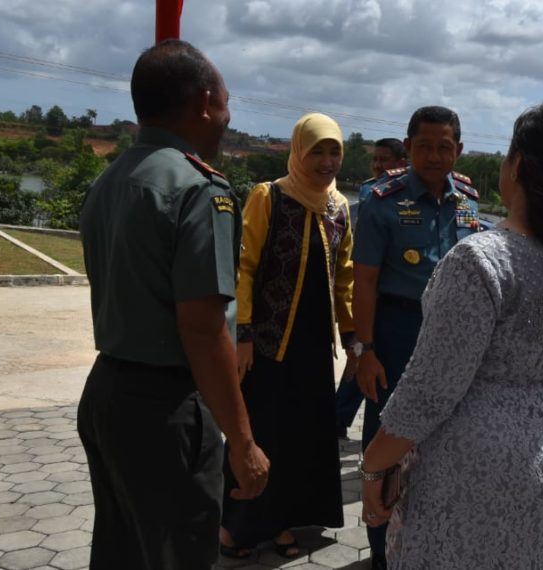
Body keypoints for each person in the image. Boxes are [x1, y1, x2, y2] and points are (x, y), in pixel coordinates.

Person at [358, 99, 543, 568]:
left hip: (477, 462)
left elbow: (431, 390)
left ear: (517, 166)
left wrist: (375, 463)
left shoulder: (480, 260)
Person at [76, 39, 269, 570]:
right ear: (206, 102)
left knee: (122, 550)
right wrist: (244, 442)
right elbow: (204, 332)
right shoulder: (200, 189)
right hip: (170, 410)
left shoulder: (110, 180)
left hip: (107, 394)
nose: (228, 118)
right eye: (228, 103)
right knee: (181, 553)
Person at [221, 112, 355, 558]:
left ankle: (282, 523)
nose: (326, 160)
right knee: (262, 432)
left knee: (301, 435)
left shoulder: (339, 207)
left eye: (334, 150)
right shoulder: (270, 197)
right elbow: (244, 267)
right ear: (298, 151)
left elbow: (346, 277)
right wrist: (242, 333)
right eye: (317, 150)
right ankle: (234, 527)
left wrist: (353, 338)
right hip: (267, 343)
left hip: (314, 346)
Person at [351, 105, 480, 570]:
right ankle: (382, 548)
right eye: (424, 145)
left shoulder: (468, 200)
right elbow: (362, 281)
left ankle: (429, 540)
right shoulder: (380, 201)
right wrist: (364, 351)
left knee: (443, 440)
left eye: (444, 146)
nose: (434, 155)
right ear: (407, 148)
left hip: (451, 336)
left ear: (458, 150)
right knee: (386, 437)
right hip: (396, 331)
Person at [335, 138, 408, 438]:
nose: (378, 165)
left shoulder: (410, 196)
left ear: (402, 162)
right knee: (359, 354)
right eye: (375, 160)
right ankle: (338, 419)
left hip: (394, 297)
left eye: (385, 160)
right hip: (366, 290)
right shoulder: (369, 191)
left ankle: (340, 419)